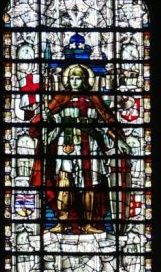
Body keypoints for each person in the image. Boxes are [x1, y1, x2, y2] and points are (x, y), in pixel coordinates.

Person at [29, 63, 129, 233]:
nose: (75, 81)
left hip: (90, 144)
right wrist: (46, 118)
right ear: (68, 80)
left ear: (85, 80)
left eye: (79, 78)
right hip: (66, 144)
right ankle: (62, 222)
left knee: (91, 184)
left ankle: (89, 224)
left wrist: (117, 139)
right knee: (64, 182)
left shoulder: (93, 99)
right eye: (72, 78)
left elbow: (104, 122)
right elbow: (50, 121)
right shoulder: (60, 98)